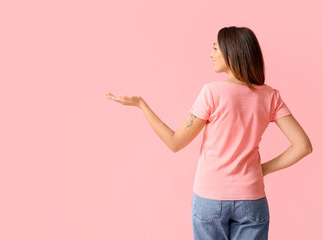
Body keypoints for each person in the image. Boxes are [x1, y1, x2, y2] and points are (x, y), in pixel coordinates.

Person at [104, 26, 313, 240]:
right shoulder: (270, 96)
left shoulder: (212, 92)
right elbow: (303, 146)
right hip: (252, 197)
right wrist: (263, 169)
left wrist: (141, 105)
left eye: (215, 48)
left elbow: (175, 143)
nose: (211, 54)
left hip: (210, 197)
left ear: (231, 52)